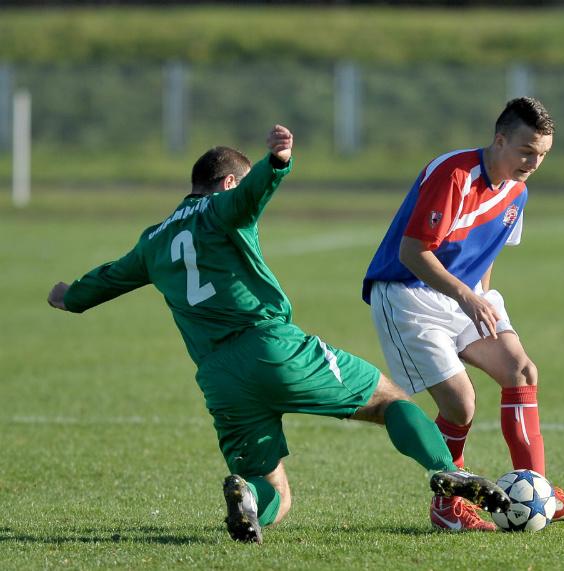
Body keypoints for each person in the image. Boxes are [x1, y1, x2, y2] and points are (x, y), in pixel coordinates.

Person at [47, 125, 510, 544]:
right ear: (229, 181)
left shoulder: (152, 242)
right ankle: (446, 472)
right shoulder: (222, 207)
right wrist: (276, 164)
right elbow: (249, 196)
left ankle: (249, 508)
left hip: (218, 377)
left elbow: (104, 280)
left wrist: (69, 295)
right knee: (391, 404)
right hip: (271, 347)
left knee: (274, 491)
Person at [362, 98, 564, 532]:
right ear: (500, 139)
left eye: (543, 154)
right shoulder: (454, 174)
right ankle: (448, 505)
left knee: (521, 371)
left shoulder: (518, 191)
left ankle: (538, 491)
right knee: (460, 403)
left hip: (465, 296)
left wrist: (481, 299)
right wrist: (467, 298)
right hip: (409, 295)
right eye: (526, 150)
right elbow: (412, 252)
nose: (534, 161)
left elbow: (486, 253)